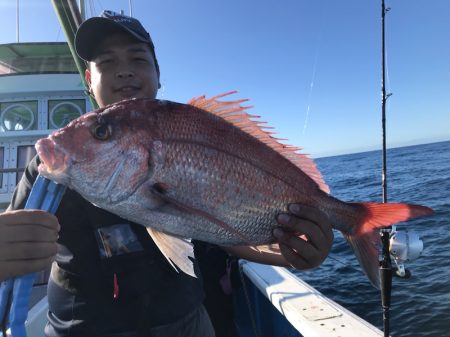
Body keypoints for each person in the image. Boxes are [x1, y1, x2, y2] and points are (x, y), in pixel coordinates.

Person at [5, 10, 333, 337]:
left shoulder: (188, 134)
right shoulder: (55, 164)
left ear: (158, 75)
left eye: (138, 59)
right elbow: (16, 241)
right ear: (89, 81)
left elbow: (223, 232)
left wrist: (294, 254)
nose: (123, 72)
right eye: (106, 63)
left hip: (186, 322)